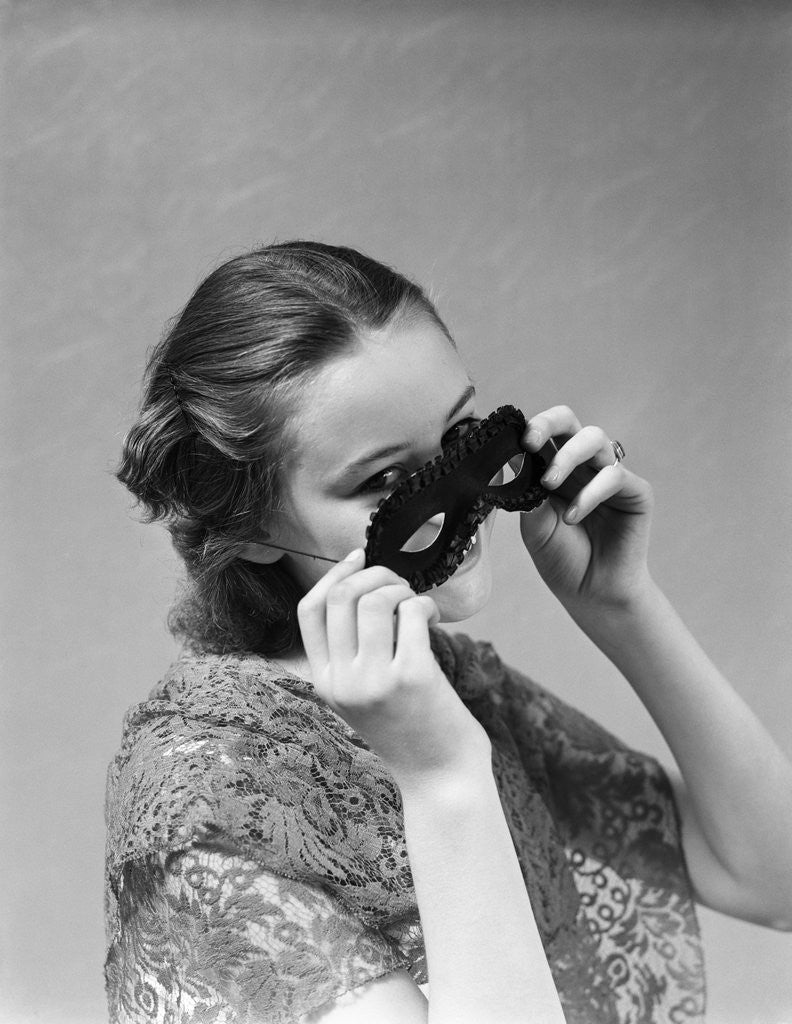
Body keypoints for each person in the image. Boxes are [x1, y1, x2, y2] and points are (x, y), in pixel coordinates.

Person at [105, 241, 792, 1024]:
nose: (462, 506)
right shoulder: (202, 790)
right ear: (252, 527)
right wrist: (442, 777)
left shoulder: (447, 683)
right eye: (386, 482)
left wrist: (624, 606)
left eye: (467, 438)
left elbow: (772, 881)